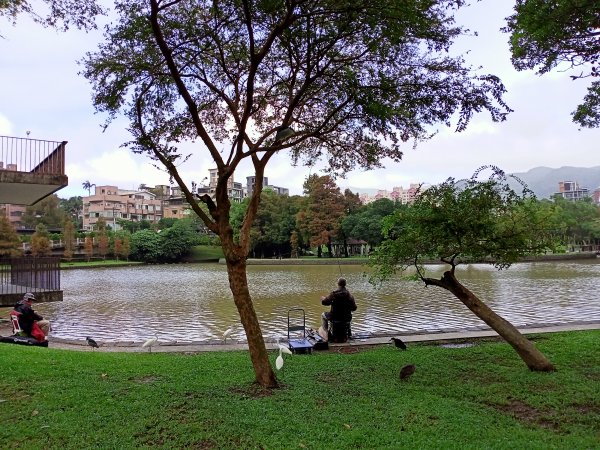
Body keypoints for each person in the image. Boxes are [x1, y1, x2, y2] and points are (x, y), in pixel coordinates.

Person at [320, 277, 357, 342]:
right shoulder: (350, 295)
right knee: (349, 315)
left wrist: (323, 299)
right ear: (345, 284)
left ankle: (325, 334)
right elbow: (354, 308)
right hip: (346, 317)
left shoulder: (333, 294)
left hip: (334, 317)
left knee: (323, 315)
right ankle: (349, 333)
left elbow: (325, 302)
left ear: (338, 284)